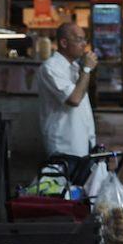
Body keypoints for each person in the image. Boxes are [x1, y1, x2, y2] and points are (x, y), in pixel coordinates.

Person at [36, 21, 97, 160]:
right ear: (64, 43)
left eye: (84, 40)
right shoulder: (51, 68)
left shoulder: (75, 68)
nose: (84, 45)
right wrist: (86, 70)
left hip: (82, 140)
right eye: (79, 40)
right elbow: (74, 99)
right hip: (65, 144)